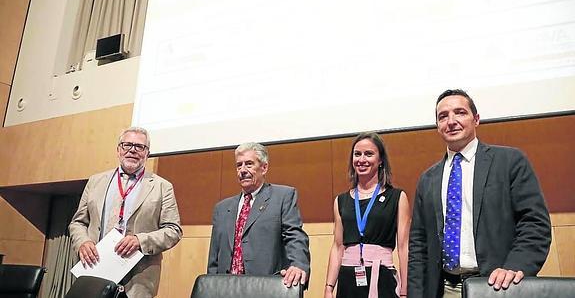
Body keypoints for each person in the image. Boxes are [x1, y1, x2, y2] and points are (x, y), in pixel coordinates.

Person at [408, 89, 552, 298]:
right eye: (443, 116)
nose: (451, 121)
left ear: (476, 119)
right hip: (444, 289)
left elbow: (535, 223)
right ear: (438, 127)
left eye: (460, 112)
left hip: (498, 287)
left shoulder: (510, 161)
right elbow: (419, 245)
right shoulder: (428, 179)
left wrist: (514, 267)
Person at [69, 127, 182, 297]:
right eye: (127, 145)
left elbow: (174, 230)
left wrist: (140, 240)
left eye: (139, 147)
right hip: (94, 272)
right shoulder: (95, 181)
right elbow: (78, 222)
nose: (132, 150)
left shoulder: (162, 186)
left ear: (147, 153)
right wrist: (82, 242)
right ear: (118, 150)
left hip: (137, 281)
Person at [207, 142, 310, 287]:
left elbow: (295, 236)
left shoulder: (282, 197)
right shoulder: (222, 208)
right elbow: (214, 260)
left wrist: (298, 264)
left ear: (264, 167)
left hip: (265, 287)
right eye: (239, 165)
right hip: (226, 288)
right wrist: (211, 288)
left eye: (249, 164)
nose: (242, 170)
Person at [324, 132, 410, 298]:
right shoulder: (341, 200)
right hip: (348, 279)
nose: (361, 159)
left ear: (380, 160)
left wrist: (405, 290)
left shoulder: (397, 197)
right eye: (357, 154)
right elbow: (337, 246)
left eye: (368, 154)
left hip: (382, 277)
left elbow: (403, 246)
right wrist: (329, 287)